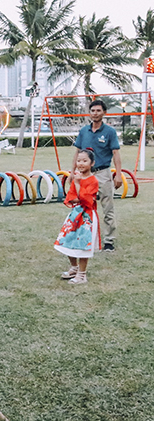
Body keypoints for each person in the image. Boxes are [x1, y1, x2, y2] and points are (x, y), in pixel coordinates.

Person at [72, 99, 121, 252]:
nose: (95, 113)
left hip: (102, 173)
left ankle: (109, 241)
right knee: (82, 206)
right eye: (93, 111)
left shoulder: (109, 132)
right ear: (90, 113)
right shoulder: (84, 131)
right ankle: (82, 236)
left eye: (98, 111)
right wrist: (72, 172)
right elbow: (77, 153)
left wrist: (118, 174)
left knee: (107, 208)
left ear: (104, 113)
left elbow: (115, 153)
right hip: (85, 174)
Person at [55, 149, 100, 285]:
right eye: (78, 160)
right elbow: (71, 197)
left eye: (84, 161)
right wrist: (77, 189)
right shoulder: (76, 179)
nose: (81, 164)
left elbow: (86, 199)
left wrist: (79, 185)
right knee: (67, 239)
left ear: (92, 163)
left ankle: (82, 274)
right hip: (75, 214)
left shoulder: (93, 181)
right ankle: (74, 268)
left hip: (87, 217)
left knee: (83, 244)